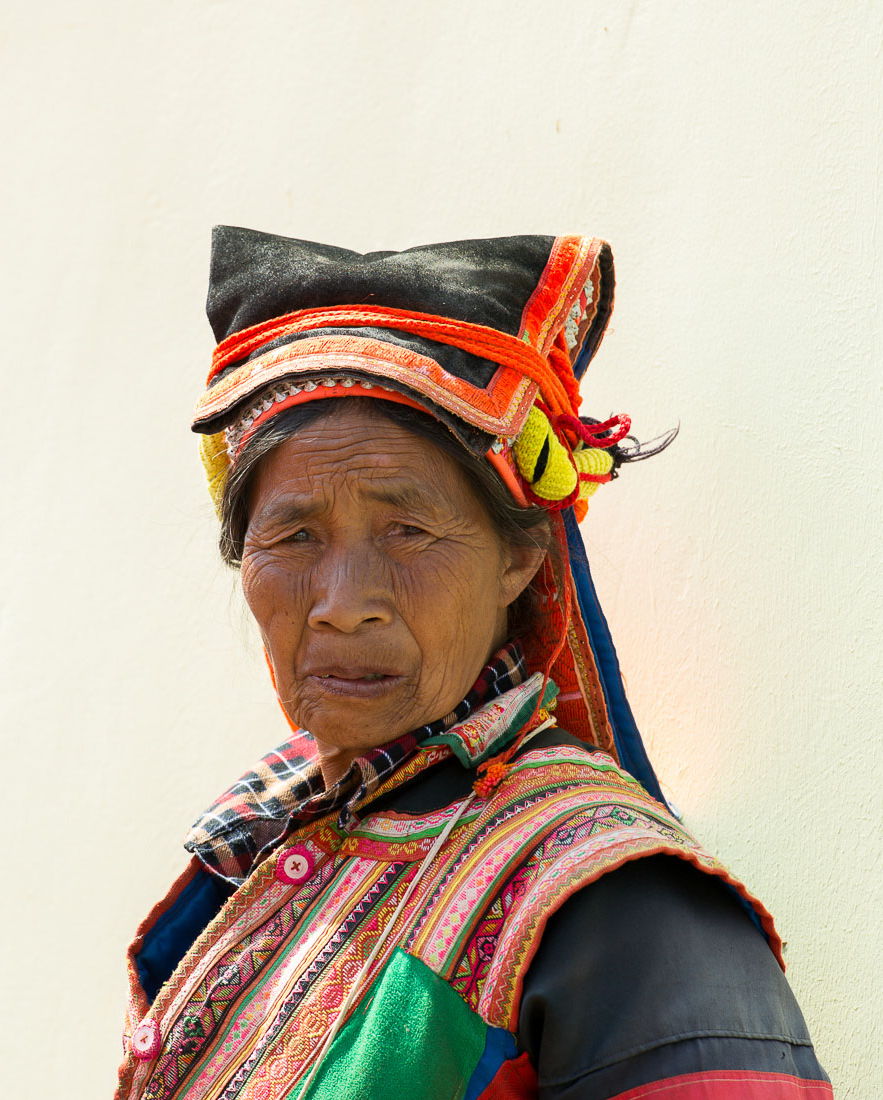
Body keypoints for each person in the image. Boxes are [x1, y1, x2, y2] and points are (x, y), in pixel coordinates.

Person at [113, 229, 832, 1100]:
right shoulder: (263, 837)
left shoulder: (615, 910)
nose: (343, 601)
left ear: (516, 558)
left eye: (407, 531)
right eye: (295, 536)